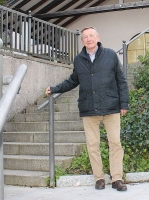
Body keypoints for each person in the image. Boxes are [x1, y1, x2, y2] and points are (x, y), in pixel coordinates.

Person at [45, 26, 129, 191]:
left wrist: (124, 103)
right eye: (85, 37)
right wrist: (55, 88)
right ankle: (99, 178)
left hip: (111, 107)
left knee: (115, 144)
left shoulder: (110, 55)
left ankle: (117, 179)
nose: (89, 39)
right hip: (89, 108)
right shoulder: (78, 59)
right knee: (92, 145)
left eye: (91, 36)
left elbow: (121, 80)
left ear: (97, 37)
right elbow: (73, 80)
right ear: (82, 40)